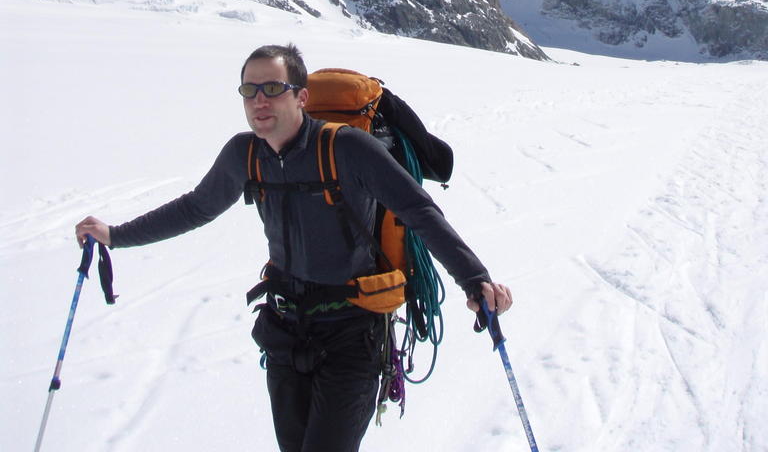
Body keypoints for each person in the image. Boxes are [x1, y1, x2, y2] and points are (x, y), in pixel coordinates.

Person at [76, 43, 512, 452]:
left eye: (272, 88)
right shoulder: (244, 154)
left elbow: (418, 211)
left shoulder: (346, 147)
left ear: (301, 97)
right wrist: (115, 235)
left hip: (353, 334)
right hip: (284, 329)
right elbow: (195, 208)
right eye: (250, 90)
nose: (259, 101)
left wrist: (475, 279)